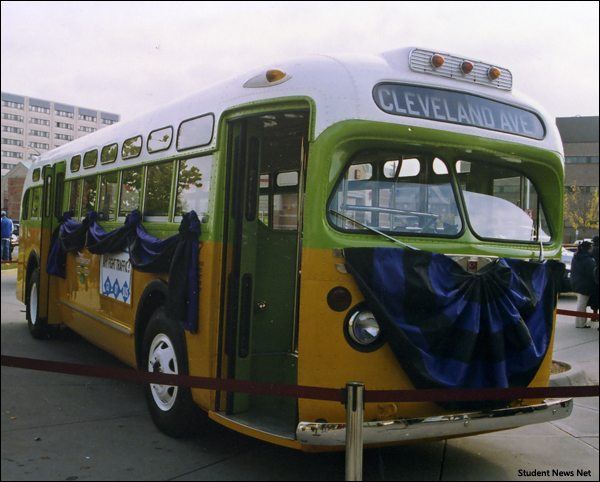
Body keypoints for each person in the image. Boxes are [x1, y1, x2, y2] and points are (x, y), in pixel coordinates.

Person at [570, 241, 597, 328]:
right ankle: (580, 323)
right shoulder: (588, 260)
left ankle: (582, 322)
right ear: (589, 248)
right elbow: (592, 274)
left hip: (576, 282)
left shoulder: (576, 257)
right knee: (582, 304)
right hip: (585, 285)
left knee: (581, 303)